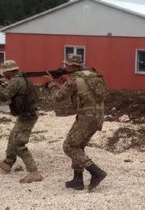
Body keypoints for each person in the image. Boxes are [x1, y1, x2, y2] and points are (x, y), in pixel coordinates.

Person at [44, 54, 107, 191]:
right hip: (98, 115)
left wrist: (51, 84)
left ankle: (96, 172)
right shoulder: (93, 74)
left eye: (67, 64)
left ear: (72, 66)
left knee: (69, 146)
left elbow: (58, 97)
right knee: (78, 146)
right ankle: (77, 179)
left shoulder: (74, 79)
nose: (65, 66)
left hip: (86, 116)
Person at [0, 60, 43, 183]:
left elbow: (3, 96)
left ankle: (34, 172)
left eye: (5, 72)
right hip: (27, 114)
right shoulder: (22, 78)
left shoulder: (15, 81)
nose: (4, 74)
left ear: (9, 71)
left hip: (27, 116)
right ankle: (8, 162)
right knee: (12, 137)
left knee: (18, 144)